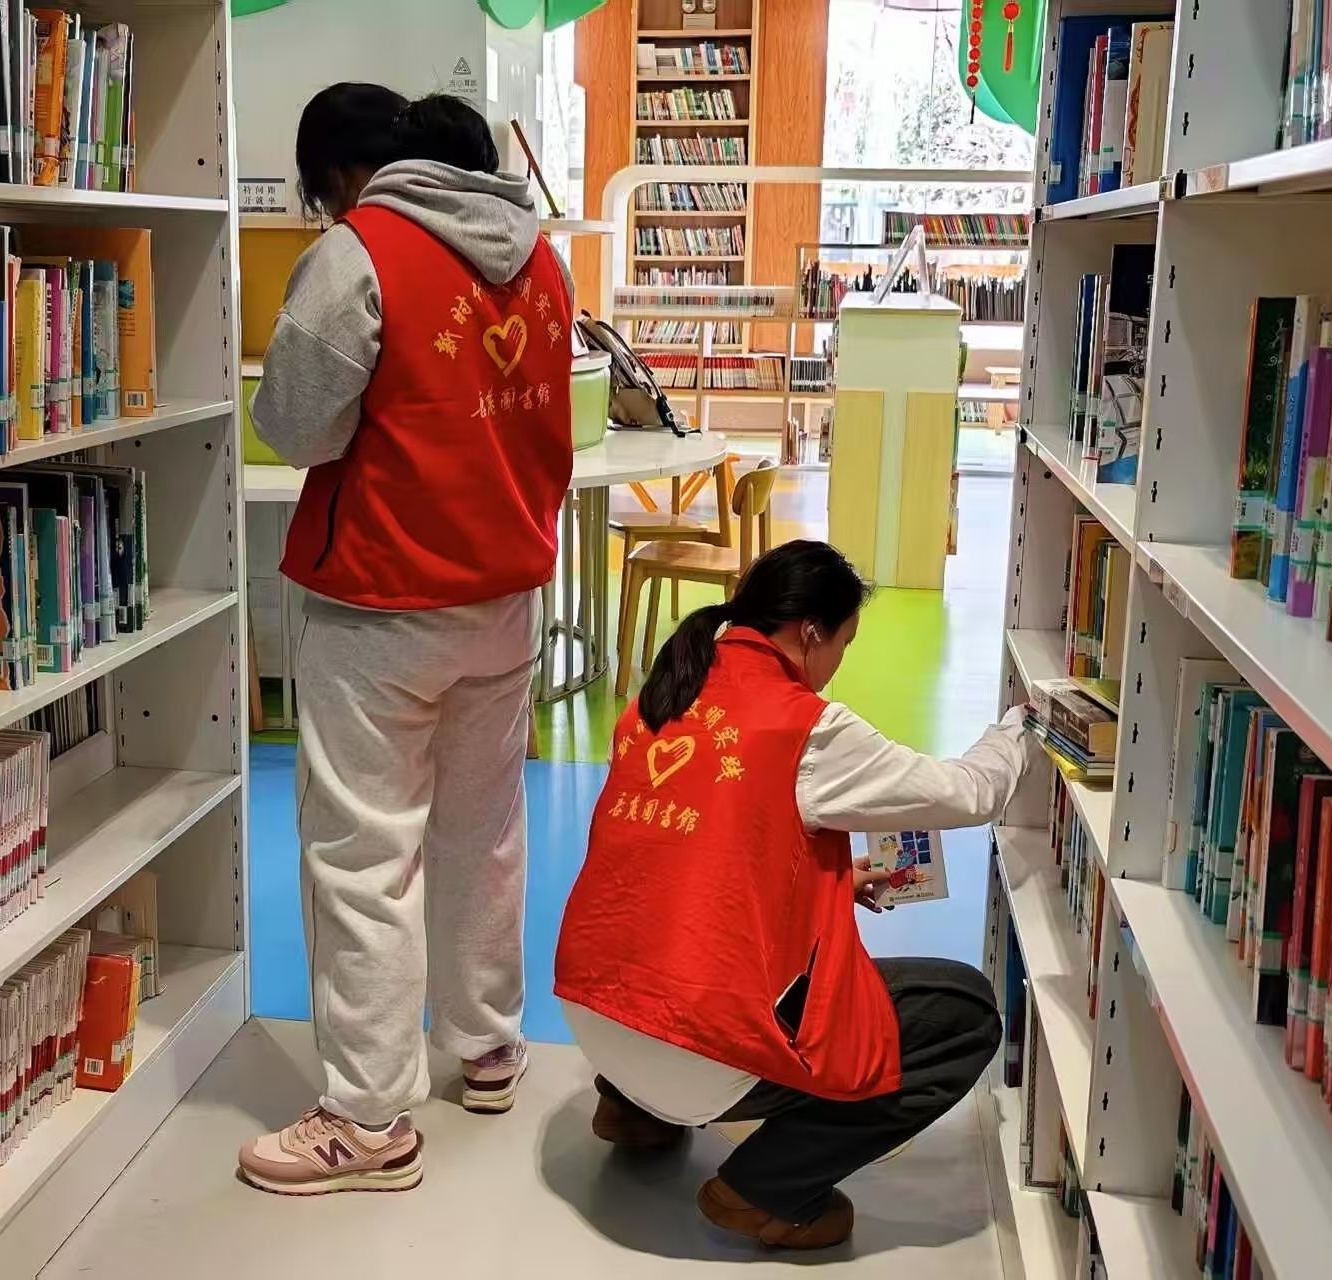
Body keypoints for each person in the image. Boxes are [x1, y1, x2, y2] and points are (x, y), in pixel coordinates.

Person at [237, 85, 575, 1196]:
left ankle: (367, 1115)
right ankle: (487, 1043)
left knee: (363, 854)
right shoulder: (541, 257)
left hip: (383, 600)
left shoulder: (358, 254)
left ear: (336, 176)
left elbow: (294, 426)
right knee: (486, 829)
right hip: (506, 592)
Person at [555, 540, 1030, 1248]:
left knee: (654, 927)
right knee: (964, 1011)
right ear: (811, 632)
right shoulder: (806, 727)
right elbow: (970, 792)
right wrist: (1018, 728)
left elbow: (699, 857)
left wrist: (827, 882)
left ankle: (632, 1112)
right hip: (696, 1047)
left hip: (595, 1016)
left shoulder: (663, 694)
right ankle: (763, 1190)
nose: (839, 662)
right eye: (843, 642)